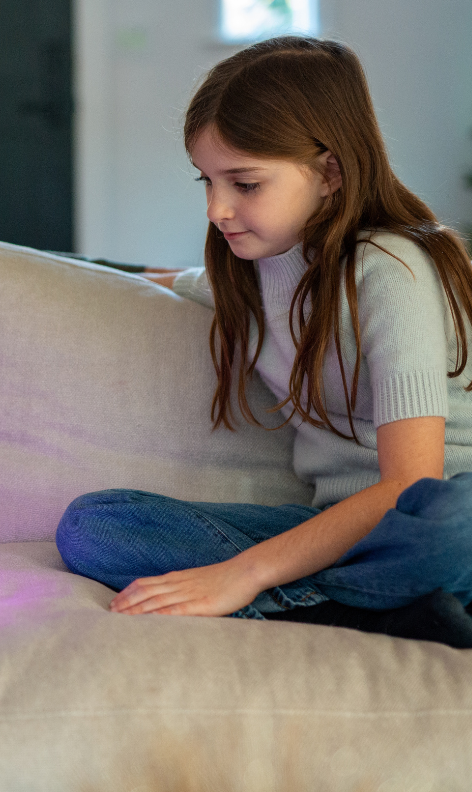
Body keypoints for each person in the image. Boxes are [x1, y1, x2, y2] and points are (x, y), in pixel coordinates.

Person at [57, 35, 472, 649]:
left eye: (245, 184)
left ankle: (333, 602)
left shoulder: (392, 268)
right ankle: (379, 610)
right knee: (94, 526)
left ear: (330, 172)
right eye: (207, 181)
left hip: (430, 514)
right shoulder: (254, 271)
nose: (217, 209)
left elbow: (409, 485)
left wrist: (240, 575)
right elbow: (136, 274)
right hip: (336, 530)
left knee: (452, 530)